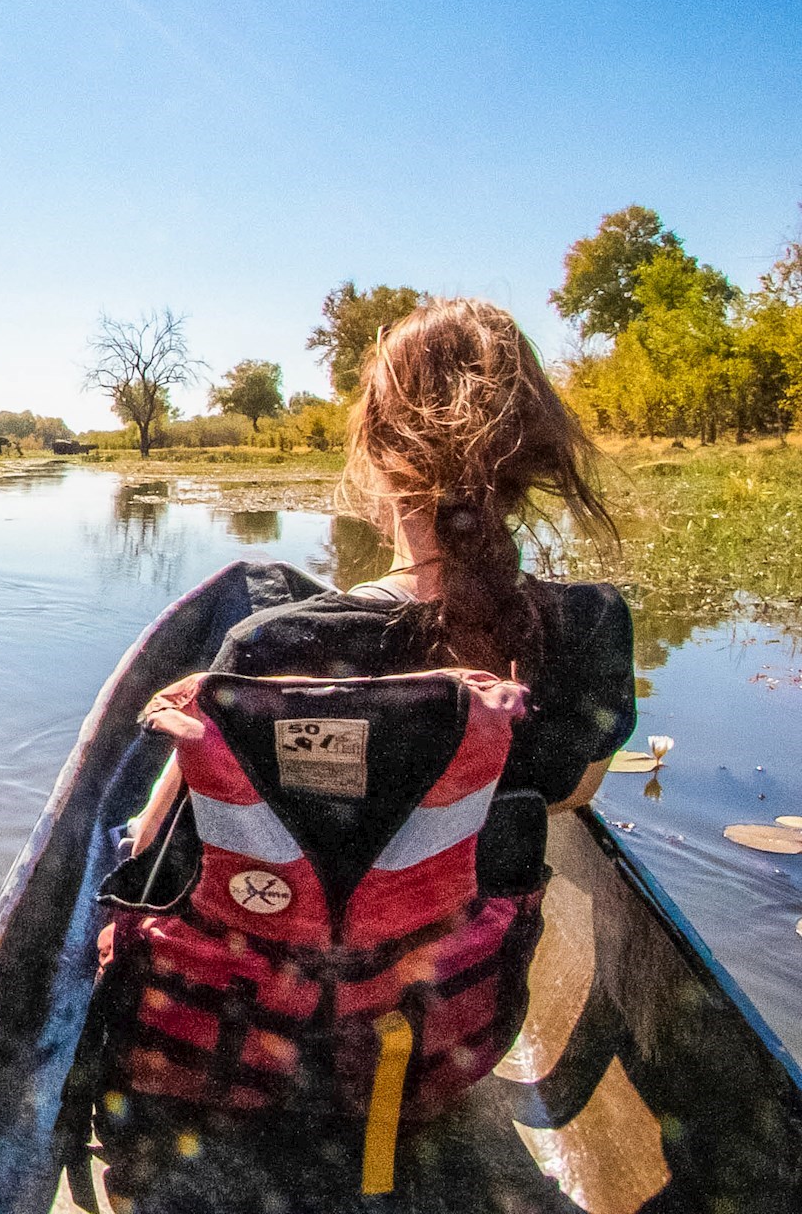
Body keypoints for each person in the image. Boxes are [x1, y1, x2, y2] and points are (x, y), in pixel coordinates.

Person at [88, 298, 633, 1209]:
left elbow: (154, 844)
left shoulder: (266, 647)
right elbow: (571, 792)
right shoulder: (585, 630)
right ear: (530, 451)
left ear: (379, 460)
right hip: (441, 1049)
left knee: (123, 843)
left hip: (244, 1045)